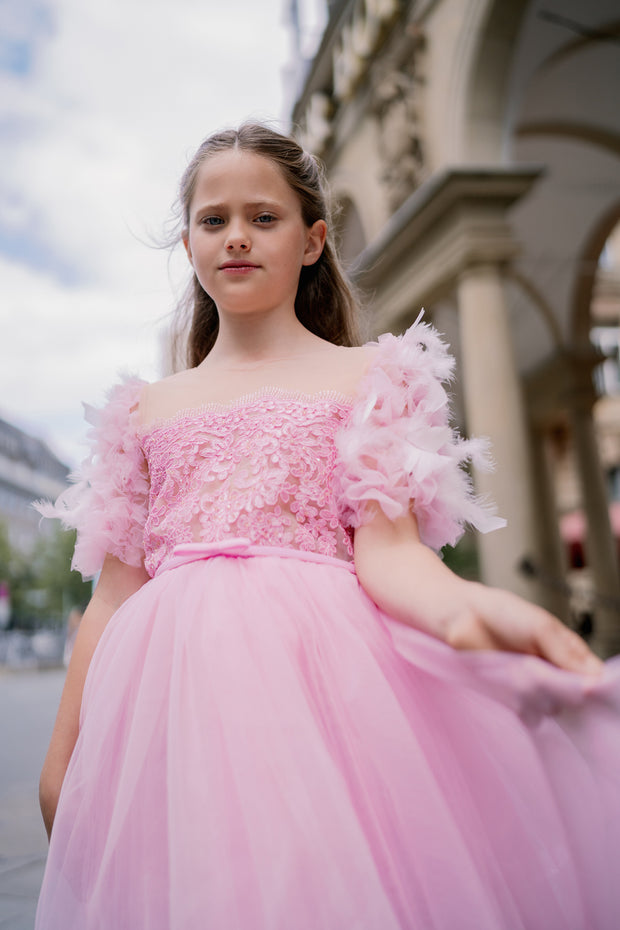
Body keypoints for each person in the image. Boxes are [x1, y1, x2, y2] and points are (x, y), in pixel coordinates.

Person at [35, 123, 619, 930]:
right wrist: (64, 751)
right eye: (214, 220)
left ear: (312, 241)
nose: (237, 235)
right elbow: (110, 599)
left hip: (324, 687)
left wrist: (470, 610)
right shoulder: (143, 410)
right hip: (167, 709)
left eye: (264, 217)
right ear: (189, 242)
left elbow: (391, 554)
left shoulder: (369, 378)